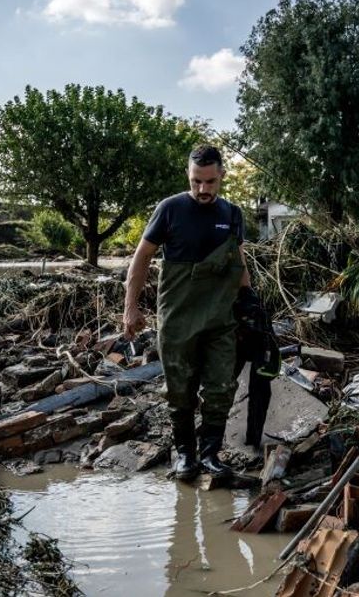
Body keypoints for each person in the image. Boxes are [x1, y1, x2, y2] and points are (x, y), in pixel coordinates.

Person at [123, 144, 252, 480]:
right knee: (179, 389)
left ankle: (211, 455)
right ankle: (185, 456)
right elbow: (141, 260)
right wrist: (131, 309)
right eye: (196, 181)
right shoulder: (170, 209)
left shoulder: (232, 214)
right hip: (178, 318)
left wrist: (249, 298)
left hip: (221, 319)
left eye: (210, 182)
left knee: (221, 387)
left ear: (222, 175)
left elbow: (238, 259)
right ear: (188, 176)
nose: (203, 189)